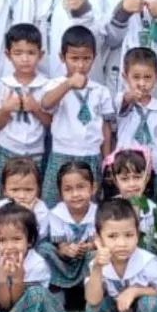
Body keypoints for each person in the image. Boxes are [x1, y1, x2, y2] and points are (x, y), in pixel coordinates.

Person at [39, 25, 114, 205]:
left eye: (86, 59)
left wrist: (107, 159)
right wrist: (68, 84)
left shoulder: (100, 91)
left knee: (88, 202)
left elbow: (106, 127)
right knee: (54, 201)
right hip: (61, 153)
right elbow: (46, 103)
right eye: (74, 58)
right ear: (62, 57)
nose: (80, 64)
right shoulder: (55, 85)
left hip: (91, 154)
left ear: (94, 58)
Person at [0, 23, 51, 201]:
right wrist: (6, 109)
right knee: (3, 196)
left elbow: (51, 123)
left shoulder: (47, 85)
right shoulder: (2, 85)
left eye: (31, 53)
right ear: (8, 55)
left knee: (31, 196)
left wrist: (36, 108)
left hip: (36, 150)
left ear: (41, 55)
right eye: (18, 53)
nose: (25, 59)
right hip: (6, 148)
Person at [112, 47, 157, 196]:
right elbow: (122, 104)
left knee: (152, 203)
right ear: (125, 77)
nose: (142, 83)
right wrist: (130, 96)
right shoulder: (122, 101)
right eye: (136, 77)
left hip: (153, 166)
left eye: (148, 77)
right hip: (126, 166)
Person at [37, 162, 99, 299]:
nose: (75, 194)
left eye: (81, 187)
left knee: (96, 255)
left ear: (93, 188)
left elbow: (101, 239)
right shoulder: (56, 213)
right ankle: (56, 289)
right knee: (44, 249)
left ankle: (88, 293)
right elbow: (60, 244)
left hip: (85, 259)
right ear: (60, 193)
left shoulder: (98, 213)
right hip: (64, 261)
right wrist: (66, 249)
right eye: (68, 189)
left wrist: (91, 246)